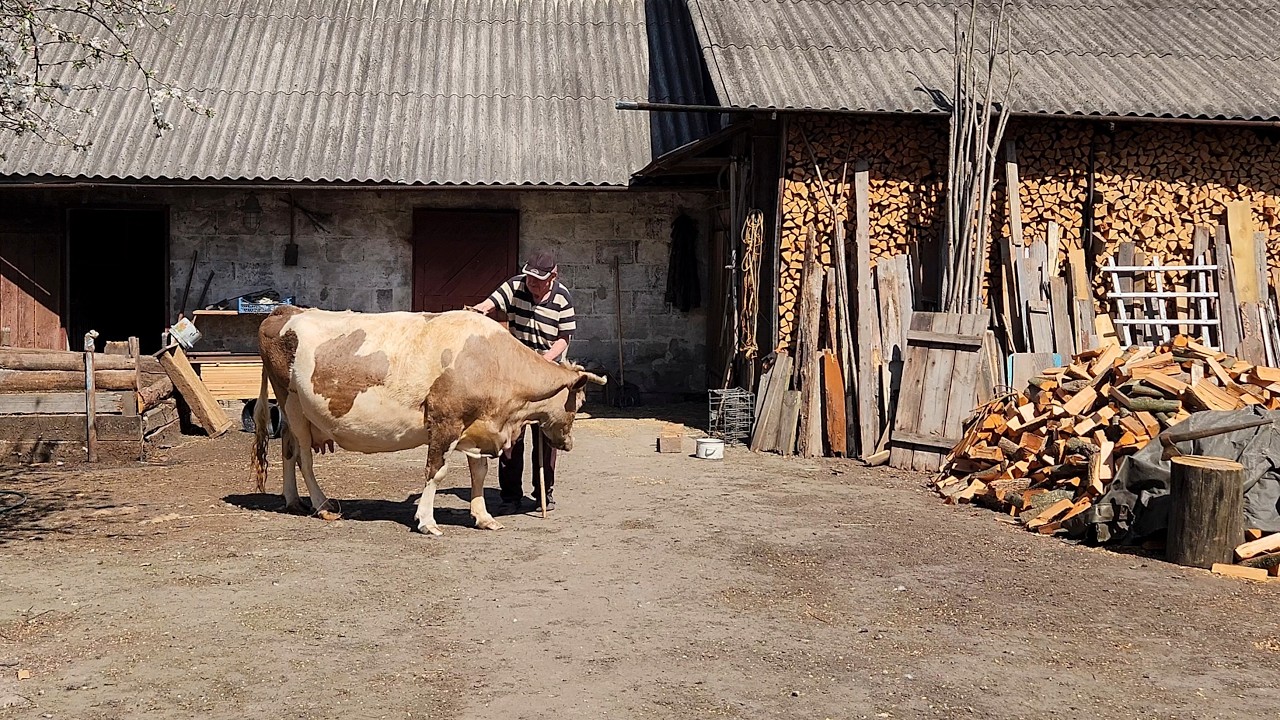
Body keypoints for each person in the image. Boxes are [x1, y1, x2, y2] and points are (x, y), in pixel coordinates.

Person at [466, 251, 576, 513]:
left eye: (539, 282)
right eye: (530, 281)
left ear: (553, 277)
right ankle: (510, 496)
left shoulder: (562, 297)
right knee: (511, 437)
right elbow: (489, 304)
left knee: (547, 436)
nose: (533, 287)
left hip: (548, 370)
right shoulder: (515, 286)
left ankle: (543, 493)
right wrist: (477, 311)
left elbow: (565, 336)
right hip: (516, 373)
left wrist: (545, 360)